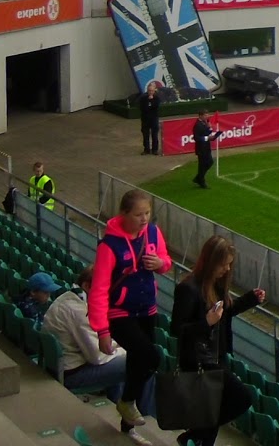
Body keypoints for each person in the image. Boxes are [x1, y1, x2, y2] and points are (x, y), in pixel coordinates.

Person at [88, 188, 170, 439]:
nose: (144, 219)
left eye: (147, 213)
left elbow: (166, 262)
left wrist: (160, 264)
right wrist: (102, 330)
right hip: (120, 313)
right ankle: (127, 401)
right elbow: (99, 289)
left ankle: (128, 424)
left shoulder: (153, 233)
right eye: (138, 214)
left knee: (138, 361)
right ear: (124, 214)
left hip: (147, 308)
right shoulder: (109, 246)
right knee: (149, 356)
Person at [171, 235, 264, 446]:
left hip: (215, 357)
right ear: (211, 261)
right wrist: (206, 322)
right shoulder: (188, 288)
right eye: (224, 264)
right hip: (198, 362)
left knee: (212, 415)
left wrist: (250, 299)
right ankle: (194, 434)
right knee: (241, 397)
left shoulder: (217, 286)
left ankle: (195, 436)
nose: (227, 269)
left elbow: (225, 313)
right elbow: (177, 328)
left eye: (230, 265)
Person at [35, 266, 129, 403]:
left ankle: (116, 400)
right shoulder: (79, 311)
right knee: (142, 362)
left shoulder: (67, 297)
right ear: (86, 285)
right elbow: (97, 356)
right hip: (72, 374)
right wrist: (122, 349)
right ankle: (145, 413)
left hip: (62, 366)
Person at [192, 112, 220, 189]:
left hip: (206, 147)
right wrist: (208, 138)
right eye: (205, 115)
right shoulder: (198, 125)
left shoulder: (205, 123)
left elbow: (206, 133)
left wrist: (210, 128)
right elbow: (196, 138)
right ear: (201, 115)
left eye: (207, 115)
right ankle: (201, 180)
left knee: (209, 162)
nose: (207, 116)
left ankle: (199, 178)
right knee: (202, 165)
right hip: (201, 148)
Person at [139, 80, 164, 156]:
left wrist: (151, 102)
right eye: (149, 90)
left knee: (154, 134)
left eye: (152, 91)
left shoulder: (157, 98)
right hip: (145, 119)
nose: (150, 92)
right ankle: (146, 149)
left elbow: (155, 106)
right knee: (145, 135)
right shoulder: (143, 97)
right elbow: (143, 107)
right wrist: (149, 104)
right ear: (147, 90)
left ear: (154, 90)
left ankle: (155, 150)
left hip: (154, 119)